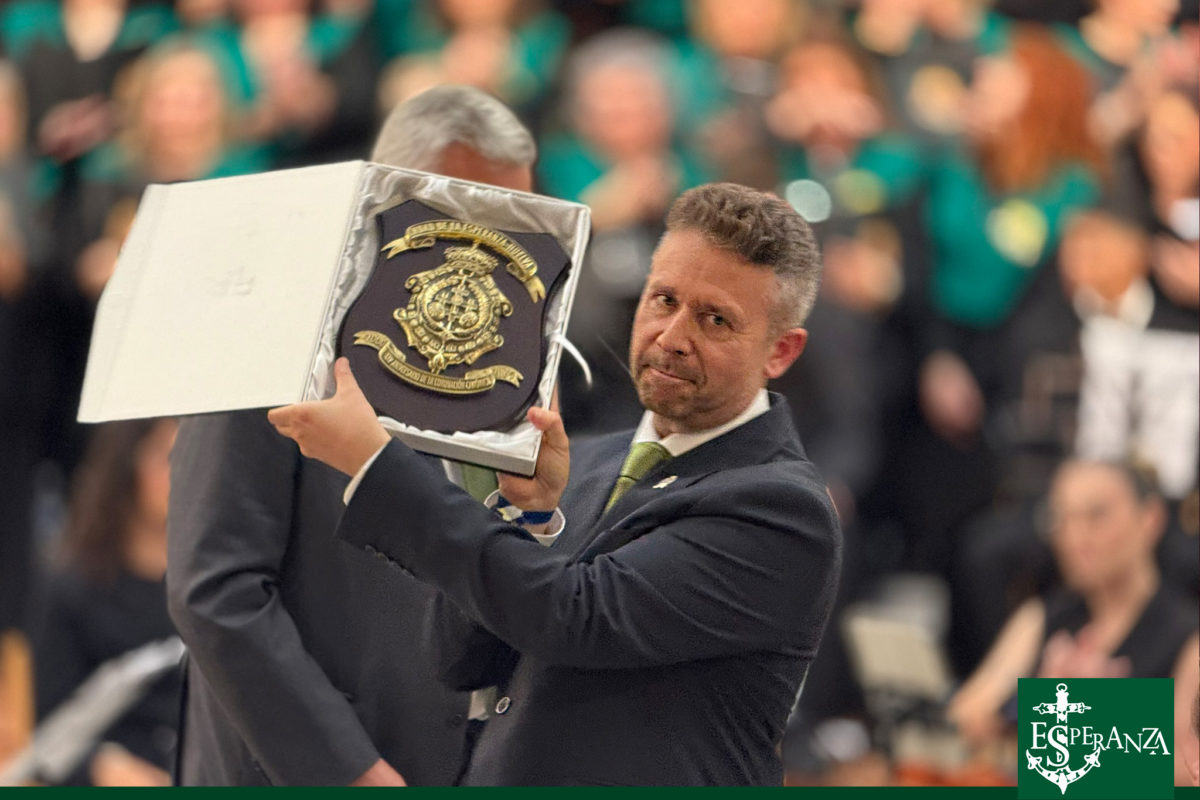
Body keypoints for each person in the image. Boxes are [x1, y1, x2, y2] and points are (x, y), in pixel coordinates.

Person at [269, 182, 843, 785]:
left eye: (715, 319)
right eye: (664, 299)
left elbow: (578, 616)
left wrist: (379, 464)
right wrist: (529, 520)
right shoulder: (589, 460)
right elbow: (458, 661)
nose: (672, 336)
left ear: (781, 351)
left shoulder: (782, 509)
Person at [165, 85, 536, 787]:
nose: (500, 248)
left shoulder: (516, 351)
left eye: (522, 220)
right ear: (387, 197)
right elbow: (215, 591)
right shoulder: (268, 328)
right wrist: (348, 770)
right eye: (476, 215)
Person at [947, 459, 1199, 784]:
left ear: (1150, 518)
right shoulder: (1044, 617)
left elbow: (1185, 764)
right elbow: (965, 715)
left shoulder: (1187, 635)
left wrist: (1080, 716)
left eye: (1096, 516)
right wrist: (1033, 703)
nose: (1074, 537)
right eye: (1062, 519)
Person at [32, 418, 179, 786]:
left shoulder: (216, 586)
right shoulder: (74, 588)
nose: (182, 475)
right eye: (168, 458)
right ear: (127, 465)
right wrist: (105, 768)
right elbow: (48, 733)